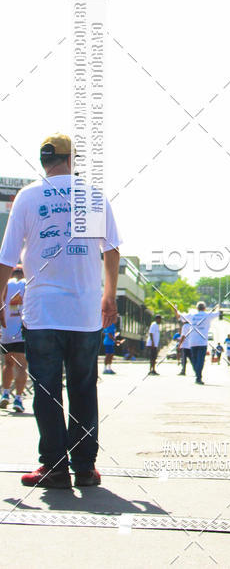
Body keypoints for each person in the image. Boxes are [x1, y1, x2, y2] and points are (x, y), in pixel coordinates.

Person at [0, 133, 120, 489]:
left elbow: (6, 259)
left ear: (43, 161)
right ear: (72, 159)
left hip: (43, 312)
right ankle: (84, 467)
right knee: (84, 387)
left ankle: (53, 467)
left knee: (47, 389)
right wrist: (109, 297)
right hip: (85, 312)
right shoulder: (94, 196)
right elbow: (112, 250)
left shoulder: (28, 196)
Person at [0, 265, 27, 413]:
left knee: (7, 363)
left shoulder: (5, 284)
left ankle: (5, 393)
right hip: (21, 331)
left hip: (6, 330)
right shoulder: (27, 283)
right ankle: (18, 398)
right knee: (21, 365)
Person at [176, 301, 219, 384]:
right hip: (202, 342)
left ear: (197, 308)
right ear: (205, 308)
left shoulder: (192, 316)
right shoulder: (208, 315)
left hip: (192, 342)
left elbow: (179, 315)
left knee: (195, 360)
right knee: (200, 360)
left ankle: (197, 375)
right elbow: (218, 314)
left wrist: (176, 310)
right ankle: (198, 376)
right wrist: (218, 307)